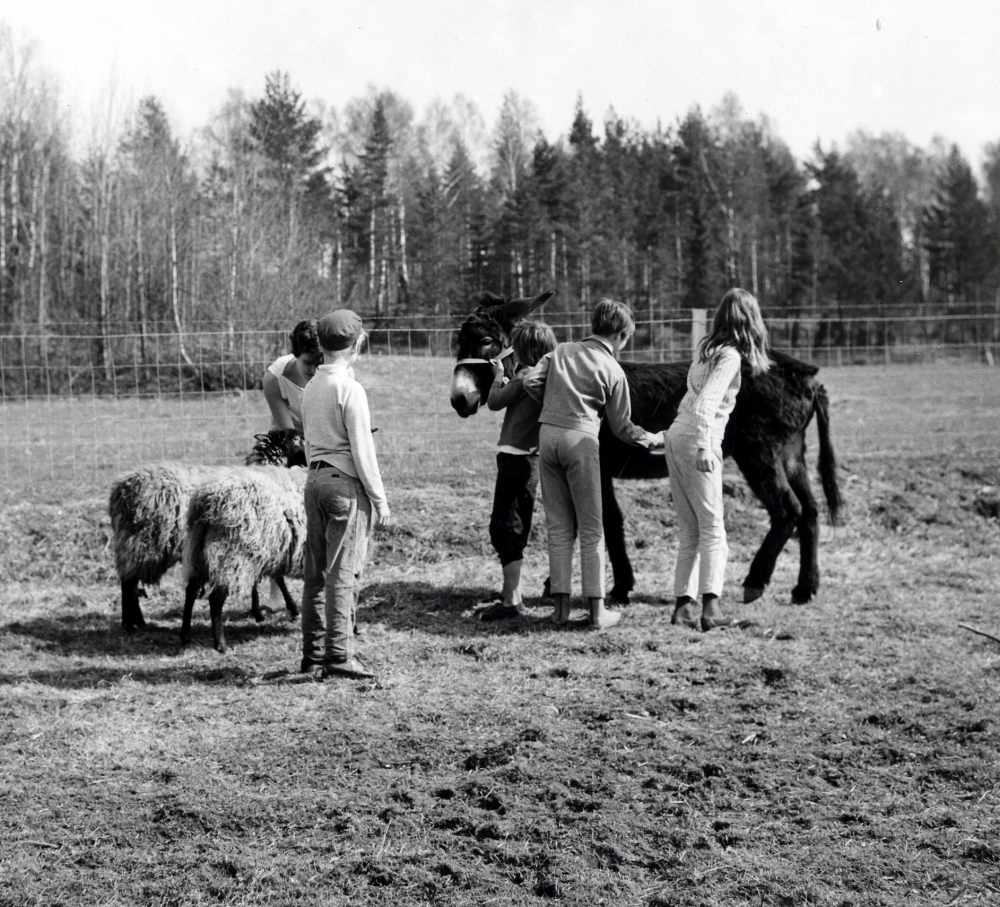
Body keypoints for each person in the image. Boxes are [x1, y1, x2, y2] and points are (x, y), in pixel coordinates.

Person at [522, 298, 661, 630]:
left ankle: (559, 610)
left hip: (547, 437)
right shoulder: (613, 369)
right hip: (581, 441)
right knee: (592, 528)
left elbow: (530, 380)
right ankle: (598, 612)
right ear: (622, 334)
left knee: (558, 527)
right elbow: (622, 428)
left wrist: (549, 405)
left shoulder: (561, 351)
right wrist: (654, 439)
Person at [664, 287, 771, 632]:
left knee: (690, 529)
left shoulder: (705, 349)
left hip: (676, 434)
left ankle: (683, 607)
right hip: (698, 436)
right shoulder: (730, 358)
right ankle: (711, 608)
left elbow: (693, 398)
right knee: (713, 528)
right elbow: (707, 403)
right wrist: (706, 447)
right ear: (750, 320)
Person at [299, 310, 390, 680]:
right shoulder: (350, 390)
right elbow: (362, 450)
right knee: (342, 573)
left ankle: (313, 655)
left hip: (314, 480)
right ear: (356, 345)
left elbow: (308, 442)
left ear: (320, 346)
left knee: (315, 574)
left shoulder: (311, 389)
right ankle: (339, 656)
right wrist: (380, 499)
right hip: (344, 486)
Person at [478, 320, 558, 621]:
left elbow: (495, 402)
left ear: (522, 349)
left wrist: (499, 376)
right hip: (531, 461)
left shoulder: (524, 376)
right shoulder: (548, 378)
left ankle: (512, 601)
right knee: (515, 523)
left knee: (506, 526)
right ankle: (511, 596)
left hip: (516, 459)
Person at [262, 320, 324, 463]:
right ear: (295, 354)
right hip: (286, 438)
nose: (314, 370)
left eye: (319, 363)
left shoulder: (339, 373)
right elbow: (289, 434)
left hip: (322, 434)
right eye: (307, 363)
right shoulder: (274, 379)